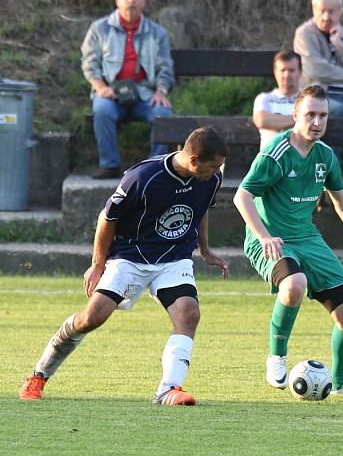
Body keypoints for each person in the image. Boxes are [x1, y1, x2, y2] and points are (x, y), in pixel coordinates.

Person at [19, 127, 229, 405]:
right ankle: (39, 375)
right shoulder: (142, 177)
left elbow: (200, 210)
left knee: (188, 314)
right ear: (193, 161)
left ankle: (169, 389)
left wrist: (205, 250)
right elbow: (107, 218)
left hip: (173, 257)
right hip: (130, 256)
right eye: (213, 165)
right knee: (90, 319)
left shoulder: (210, 179)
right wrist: (97, 264)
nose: (217, 171)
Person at [233, 85, 343, 396]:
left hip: (308, 238)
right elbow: (242, 196)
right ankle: (276, 356)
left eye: (323, 115)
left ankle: (342, 385)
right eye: (310, 115)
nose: (317, 122)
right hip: (272, 239)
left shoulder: (325, 156)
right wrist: (263, 236)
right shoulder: (276, 153)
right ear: (295, 116)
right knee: (294, 285)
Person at [81, 0, 175, 179]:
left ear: (144, 2)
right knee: (102, 110)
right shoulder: (99, 28)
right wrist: (100, 87)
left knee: (163, 113)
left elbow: (165, 67)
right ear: (117, 0)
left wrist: (161, 91)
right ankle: (110, 165)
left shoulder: (157, 33)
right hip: (111, 93)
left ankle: (156, 168)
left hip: (145, 95)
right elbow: (90, 63)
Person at [252, 50, 303, 149]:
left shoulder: (307, 99)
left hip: (300, 160)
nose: (287, 75)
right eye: (282, 70)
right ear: (275, 72)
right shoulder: (264, 98)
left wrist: (276, 120)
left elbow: (313, 124)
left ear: (300, 72)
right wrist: (300, 119)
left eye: (291, 70)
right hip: (269, 160)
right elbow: (261, 121)